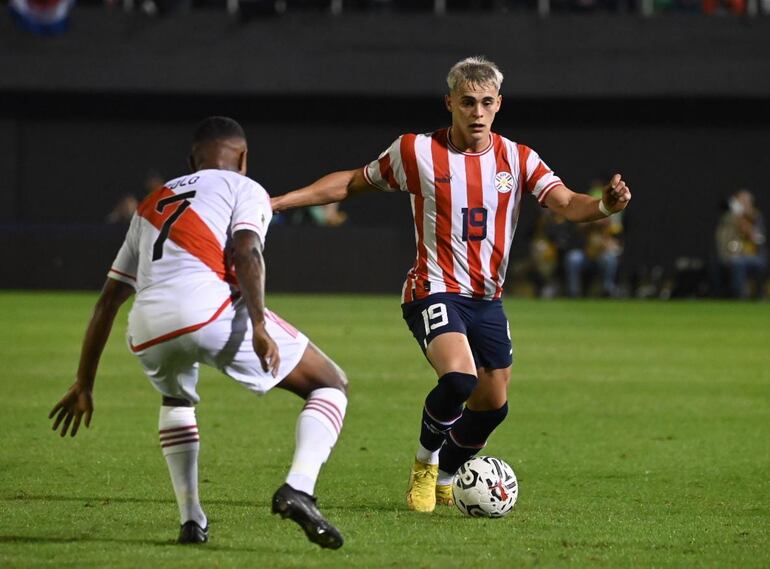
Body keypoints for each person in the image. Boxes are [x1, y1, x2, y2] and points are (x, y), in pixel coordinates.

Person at [270, 56, 631, 513]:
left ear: (499, 104)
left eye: (485, 102)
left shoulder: (518, 159)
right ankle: (424, 463)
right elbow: (349, 184)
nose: (476, 112)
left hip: (486, 300)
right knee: (459, 377)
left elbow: (566, 203)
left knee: (493, 405)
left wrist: (604, 206)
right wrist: (281, 201)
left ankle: (445, 474)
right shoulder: (415, 152)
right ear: (450, 103)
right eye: (466, 103)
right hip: (432, 288)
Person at [49, 117, 348, 549]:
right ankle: (298, 488)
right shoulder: (245, 188)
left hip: (147, 327)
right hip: (207, 311)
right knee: (330, 384)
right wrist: (260, 325)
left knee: (175, 397)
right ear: (243, 157)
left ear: (191, 160)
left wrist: (84, 382)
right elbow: (246, 251)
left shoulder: (153, 201)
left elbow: (107, 302)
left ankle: (191, 520)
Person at [715, 189, 767, 299]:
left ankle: (759, 295)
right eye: (741, 201)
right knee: (738, 262)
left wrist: (749, 229)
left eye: (747, 202)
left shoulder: (757, 217)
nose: (744, 204)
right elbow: (725, 240)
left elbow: (760, 239)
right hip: (735, 255)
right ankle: (740, 297)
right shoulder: (729, 218)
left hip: (754, 256)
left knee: (760, 262)